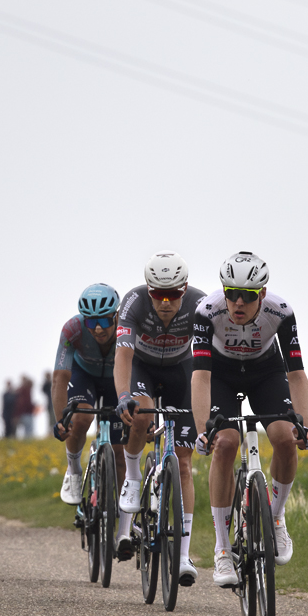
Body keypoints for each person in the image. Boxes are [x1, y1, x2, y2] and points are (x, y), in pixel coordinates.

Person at [191, 251, 308, 588]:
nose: (238, 303)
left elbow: (297, 374)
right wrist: (204, 430)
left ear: (262, 294)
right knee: (226, 443)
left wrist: (304, 423)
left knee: (286, 438)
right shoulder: (207, 312)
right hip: (221, 375)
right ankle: (221, 549)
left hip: (265, 372)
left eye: (247, 296)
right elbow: (200, 377)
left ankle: (275, 519)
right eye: (231, 294)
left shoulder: (281, 312)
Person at [114, 251, 205, 585]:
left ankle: (182, 556)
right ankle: (134, 477)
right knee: (140, 414)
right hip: (144, 368)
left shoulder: (200, 303)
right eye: (158, 295)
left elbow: (214, 354)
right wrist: (123, 395)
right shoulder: (134, 302)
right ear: (149, 290)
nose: (165, 303)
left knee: (183, 463)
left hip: (182, 370)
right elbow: (123, 355)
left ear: (184, 289)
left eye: (173, 296)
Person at [52, 284, 124, 507]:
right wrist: (61, 422)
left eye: (104, 321)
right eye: (91, 322)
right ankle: (73, 470)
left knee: (119, 451)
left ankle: (124, 520)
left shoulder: (128, 328)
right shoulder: (72, 329)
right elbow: (59, 379)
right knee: (80, 417)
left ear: (117, 315)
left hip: (116, 378)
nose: (99, 329)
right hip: (84, 375)